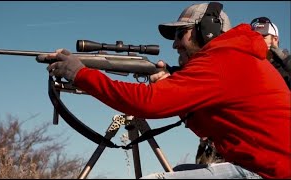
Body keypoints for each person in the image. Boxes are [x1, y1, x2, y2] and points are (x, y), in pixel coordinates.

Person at [38, 2, 291, 179]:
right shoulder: (233, 56)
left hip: (268, 172)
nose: (174, 43)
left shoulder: (223, 59)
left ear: (207, 31)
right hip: (269, 169)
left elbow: (146, 104)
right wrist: (172, 91)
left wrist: (81, 74)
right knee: (180, 171)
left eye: (181, 33)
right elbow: (206, 128)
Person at [250, 16, 291, 89]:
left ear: (275, 39)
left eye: (263, 37)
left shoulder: (284, 68)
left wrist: (285, 59)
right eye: (255, 37)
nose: (257, 40)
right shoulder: (250, 65)